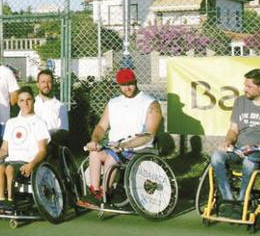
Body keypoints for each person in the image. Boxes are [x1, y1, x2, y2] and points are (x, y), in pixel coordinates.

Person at [211, 68, 260, 218]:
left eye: (249, 86)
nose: (245, 89)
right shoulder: (240, 101)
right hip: (239, 149)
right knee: (217, 156)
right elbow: (233, 129)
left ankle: (242, 201)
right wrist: (228, 141)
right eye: (245, 85)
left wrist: (254, 147)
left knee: (250, 162)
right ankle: (228, 200)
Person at [84, 68, 163, 202]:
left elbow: (149, 135)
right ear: (119, 85)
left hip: (136, 149)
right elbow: (102, 126)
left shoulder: (151, 103)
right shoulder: (113, 103)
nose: (127, 88)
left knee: (111, 157)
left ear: (136, 82)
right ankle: (95, 191)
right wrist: (95, 140)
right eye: (123, 85)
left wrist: (123, 145)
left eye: (130, 84)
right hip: (113, 147)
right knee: (94, 152)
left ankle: (106, 193)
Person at [0, 87, 49, 207]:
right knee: (1, 168)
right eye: (21, 100)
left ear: (33, 101)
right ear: (17, 102)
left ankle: (11, 199)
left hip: (27, 162)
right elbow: (4, 149)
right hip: (11, 161)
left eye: (28, 99)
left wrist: (31, 164)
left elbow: (42, 151)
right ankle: (1, 199)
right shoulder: (11, 123)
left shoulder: (40, 123)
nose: (25, 103)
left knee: (9, 168)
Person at [33, 70, 69, 151]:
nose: (46, 85)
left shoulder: (60, 106)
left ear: (53, 84)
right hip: (31, 144)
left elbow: (64, 131)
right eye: (43, 82)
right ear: (37, 84)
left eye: (49, 82)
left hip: (51, 146)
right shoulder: (30, 103)